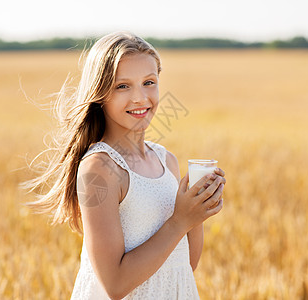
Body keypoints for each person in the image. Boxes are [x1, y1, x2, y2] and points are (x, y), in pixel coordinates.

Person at [24, 31, 226, 299]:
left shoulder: (166, 160)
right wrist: (180, 221)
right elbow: (115, 285)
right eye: (122, 86)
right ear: (100, 94)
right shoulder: (98, 170)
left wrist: (197, 213)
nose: (140, 98)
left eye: (149, 82)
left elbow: (184, 267)